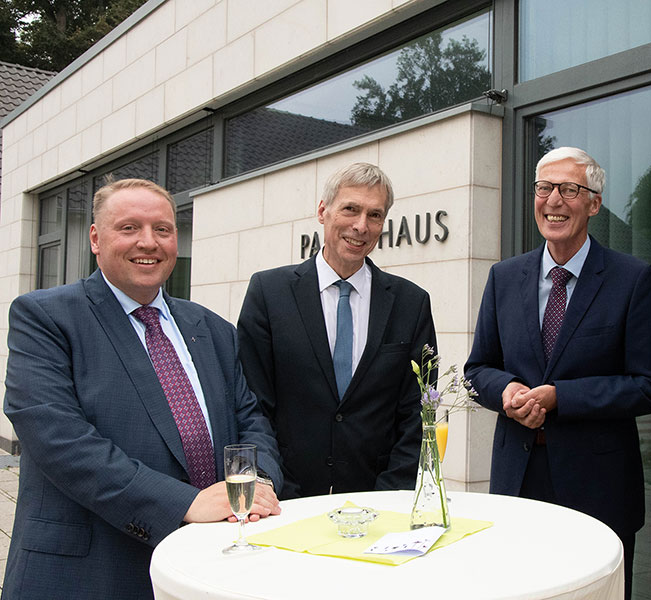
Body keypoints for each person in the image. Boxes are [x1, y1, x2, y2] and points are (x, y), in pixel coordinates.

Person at [2, 179, 283, 600]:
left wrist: (253, 488)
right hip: (92, 570)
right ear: (96, 238)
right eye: (129, 228)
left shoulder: (213, 329)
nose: (148, 242)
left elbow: (251, 418)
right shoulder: (45, 318)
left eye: (163, 230)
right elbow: (59, 440)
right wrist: (183, 505)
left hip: (210, 563)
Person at [465, 147, 651, 600]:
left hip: (598, 483)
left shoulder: (632, 279)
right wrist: (508, 392)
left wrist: (562, 397)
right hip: (517, 478)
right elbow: (477, 369)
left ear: (594, 203)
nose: (553, 200)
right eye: (544, 188)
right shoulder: (504, 277)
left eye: (569, 189)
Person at [238, 162, 436, 499]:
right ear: (322, 211)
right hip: (285, 500)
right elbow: (253, 404)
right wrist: (274, 487)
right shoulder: (268, 293)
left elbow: (418, 415)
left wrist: (387, 497)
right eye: (350, 209)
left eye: (374, 215)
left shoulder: (411, 303)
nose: (361, 226)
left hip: (377, 502)